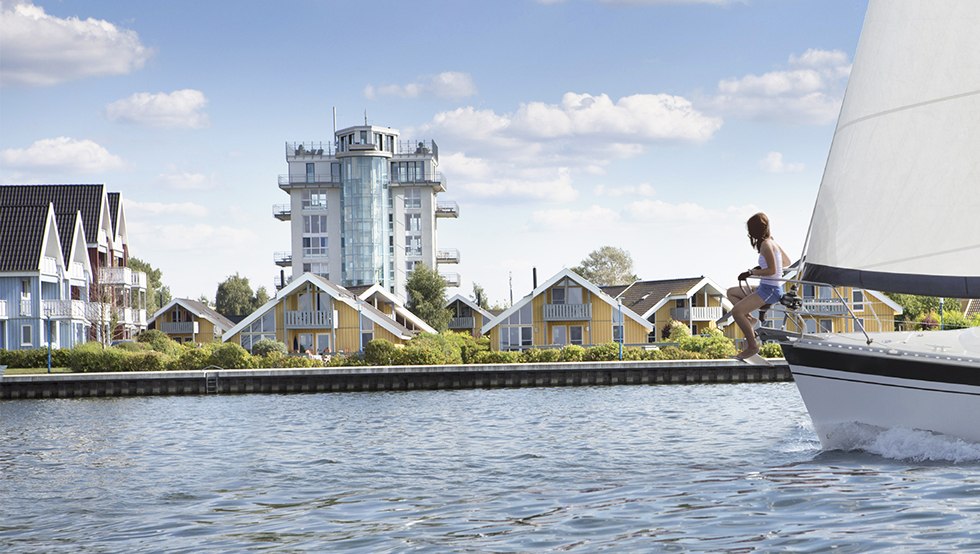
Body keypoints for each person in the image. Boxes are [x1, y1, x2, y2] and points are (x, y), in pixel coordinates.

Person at [725, 212, 791, 360]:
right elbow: (786, 262)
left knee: (737, 312)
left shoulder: (766, 245)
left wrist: (751, 272)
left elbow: (773, 270)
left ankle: (752, 346)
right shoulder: (772, 242)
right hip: (765, 287)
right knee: (731, 293)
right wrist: (761, 268)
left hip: (770, 290)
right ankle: (750, 321)